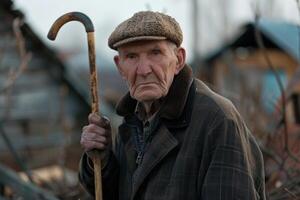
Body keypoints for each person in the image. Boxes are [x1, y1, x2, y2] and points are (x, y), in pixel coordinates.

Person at [79, 11, 266, 200]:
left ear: (179, 60)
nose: (144, 70)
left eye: (155, 53)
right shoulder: (131, 122)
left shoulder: (216, 119)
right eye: (132, 57)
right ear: (120, 67)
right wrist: (100, 160)